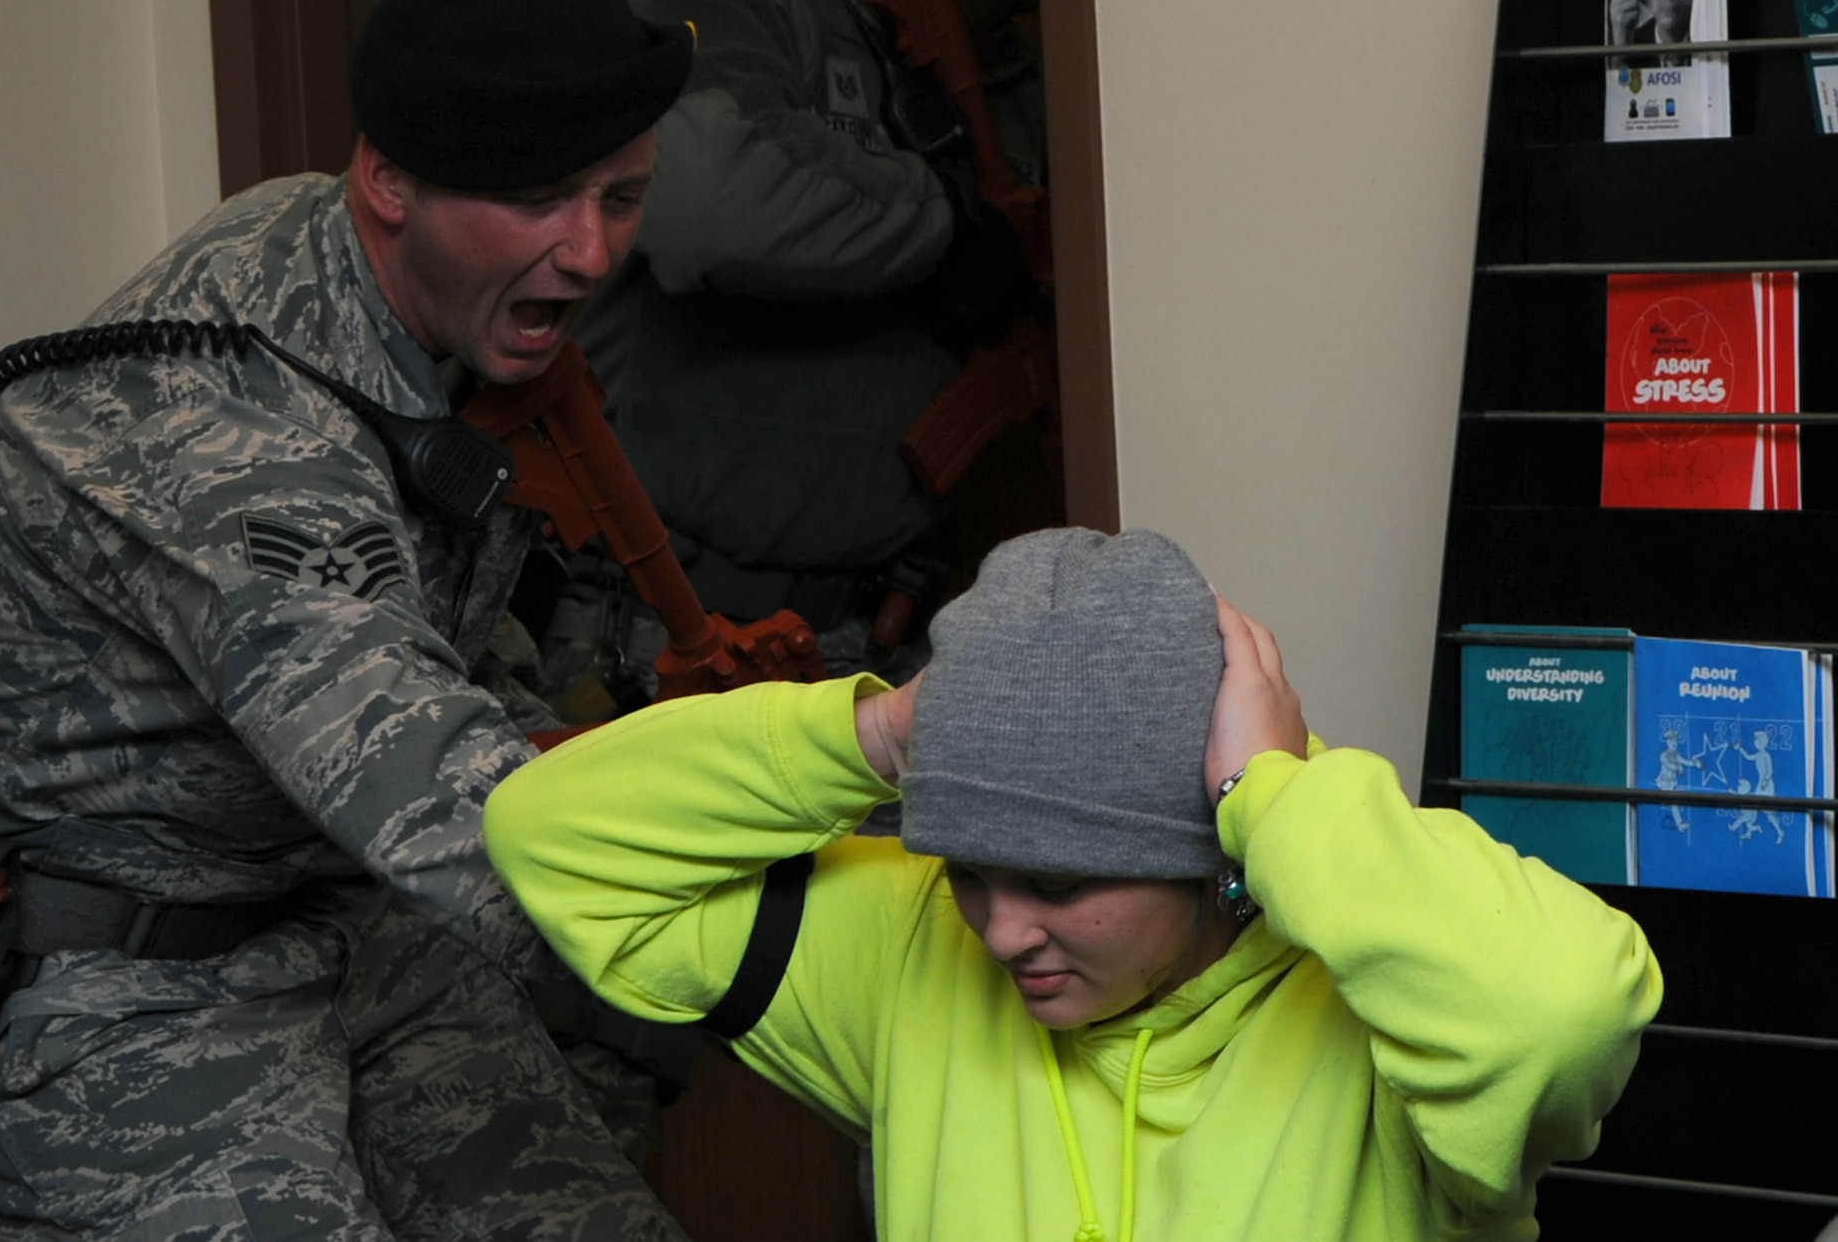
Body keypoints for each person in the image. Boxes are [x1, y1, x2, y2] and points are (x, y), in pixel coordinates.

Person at [0, 0, 694, 1242]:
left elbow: (429, 642)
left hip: (337, 910)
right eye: (534, 198)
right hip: (102, 989)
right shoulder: (232, 418)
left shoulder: (397, 283)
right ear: (389, 182)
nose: (587, 250)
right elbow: (454, 811)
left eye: (620, 197)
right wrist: (849, 895)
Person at [487, 528, 1663, 1240]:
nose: (1002, 930)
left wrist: (1277, 794)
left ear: (1199, 851)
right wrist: (886, 732)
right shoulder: (911, 954)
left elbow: (1556, 1011)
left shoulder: (1380, 1017)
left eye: (1056, 880)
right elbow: (552, 837)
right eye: (967, 872)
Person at [534, 0, 1047, 715]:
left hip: (867, 648)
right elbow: (702, 198)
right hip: (654, 642)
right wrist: (943, 227)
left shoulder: (1007, 71)